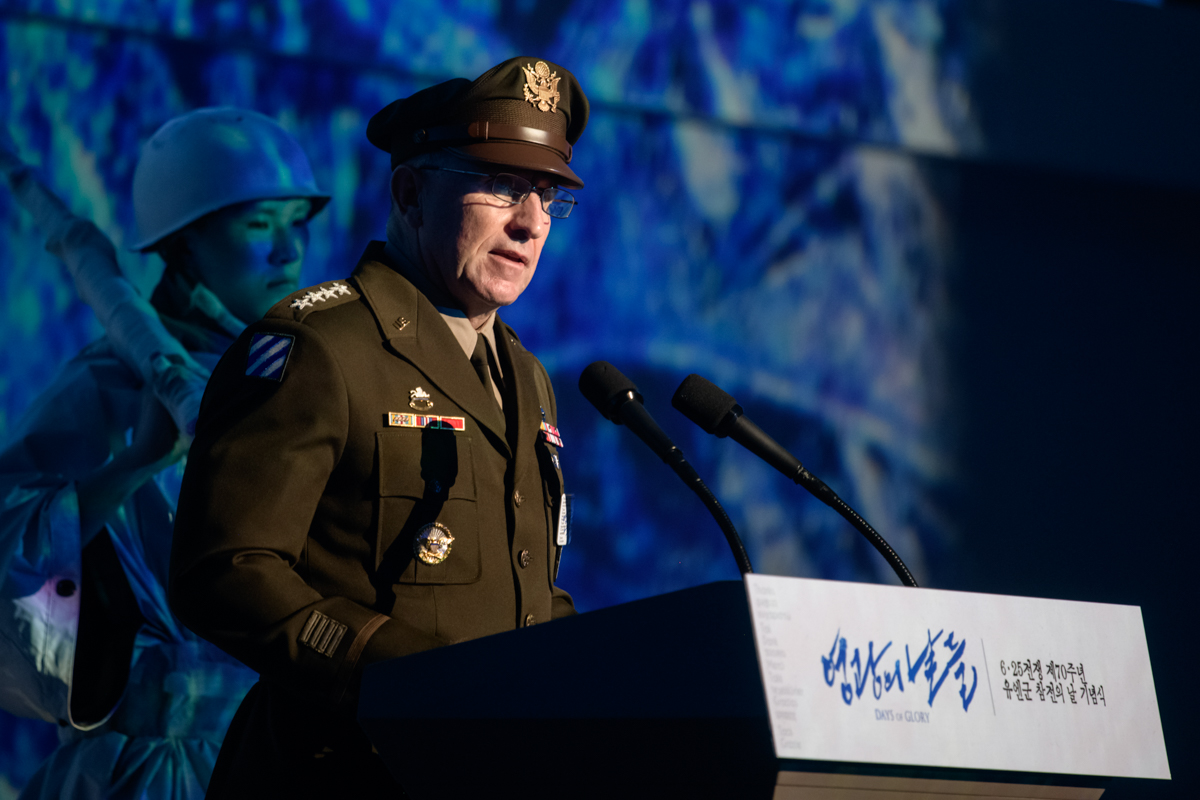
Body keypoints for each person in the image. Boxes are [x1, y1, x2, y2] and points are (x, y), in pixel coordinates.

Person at [169, 56, 589, 796]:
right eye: (501, 186)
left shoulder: (527, 379)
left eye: (548, 196)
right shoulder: (320, 347)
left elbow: (526, 591)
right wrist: (390, 668)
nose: (530, 224)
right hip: (342, 772)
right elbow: (226, 572)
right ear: (410, 192)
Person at [0, 107, 329, 799]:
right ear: (183, 246)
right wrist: (138, 461)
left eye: (298, 221)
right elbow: (9, 544)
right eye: (258, 224)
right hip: (159, 772)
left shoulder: (300, 377)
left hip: (288, 755)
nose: (289, 251)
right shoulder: (111, 385)